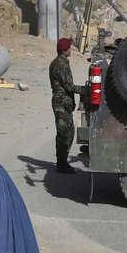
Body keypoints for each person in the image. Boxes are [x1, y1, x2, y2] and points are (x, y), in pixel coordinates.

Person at [49, 38, 84, 174]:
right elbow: (68, 86)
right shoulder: (60, 65)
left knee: (68, 132)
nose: (71, 50)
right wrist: (85, 90)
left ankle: (62, 162)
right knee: (64, 133)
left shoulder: (59, 62)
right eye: (69, 47)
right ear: (65, 50)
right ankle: (62, 164)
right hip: (61, 102)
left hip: (63, 102)